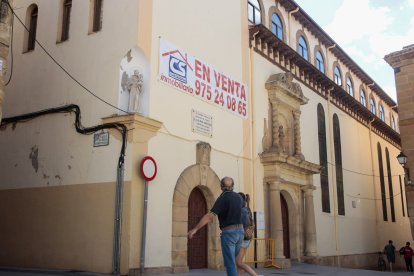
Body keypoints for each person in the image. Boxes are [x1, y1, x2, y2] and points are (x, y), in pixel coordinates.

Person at [188, 177, 244, 276]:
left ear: (221, 187)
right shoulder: (239, 197)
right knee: (235, 261)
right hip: (240, 232)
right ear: (233, 186)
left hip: (229, 234)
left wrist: (195, 229)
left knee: (230, 263)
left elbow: (210, 216)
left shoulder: (223, 198)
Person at [236, 193, 261, 276]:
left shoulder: (243, 210)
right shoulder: (246, 209)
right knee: (238, 263)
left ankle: (255, 275)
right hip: (245, 239)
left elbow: (246, 224)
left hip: (243, 239)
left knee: (238, 262)